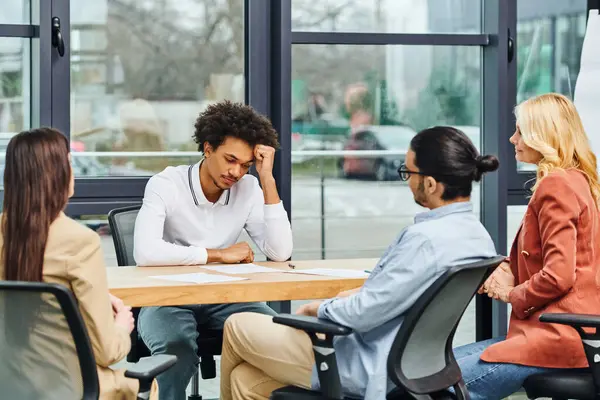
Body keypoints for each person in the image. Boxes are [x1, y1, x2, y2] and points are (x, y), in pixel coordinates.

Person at [219, 126, 500, 399]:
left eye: (408, 173)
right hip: (418, 367)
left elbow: (364, 313)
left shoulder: (424, 240)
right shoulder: (478, 236)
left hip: (366, 364)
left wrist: (320, 307)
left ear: (430, 183)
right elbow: (403, 295)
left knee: (236, 324)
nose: (407, 181)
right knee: (246, 381)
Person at [133, 101, 293, 399]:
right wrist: (217, 254)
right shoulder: (166, 184)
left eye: (245, 165)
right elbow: (145, 252)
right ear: (207, 148)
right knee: (176, 350)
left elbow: (280, 252)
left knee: (277, 337)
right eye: (230, 159)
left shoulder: (248, 189)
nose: (236, 172)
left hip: (226, 296)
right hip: (167, 297)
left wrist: (267, 179)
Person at [452, 93, 600, 400]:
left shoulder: (556, 185)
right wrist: (508, 266)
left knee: (432, 383)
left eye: (520, 131)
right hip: (571, 338)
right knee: (440, 366)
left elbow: (559, 275)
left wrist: (511, 294)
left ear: (542, 136)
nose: (512, 138)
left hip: (556, 339)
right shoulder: (580, 180)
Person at [0, 128, 153, 400]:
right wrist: (121, 327)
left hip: (9, 386)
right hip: (68, 388)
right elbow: (107, 352)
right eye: (69, 162)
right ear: (57, 173)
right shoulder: (79, 241)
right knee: (143, 386)